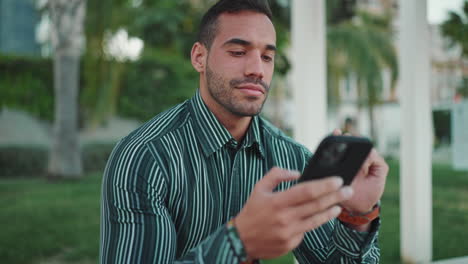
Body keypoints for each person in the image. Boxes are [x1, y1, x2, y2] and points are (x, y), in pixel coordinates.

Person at [99, 0, 388, 263]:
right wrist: (239, 242)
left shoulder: (292, 160)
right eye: (238, 52)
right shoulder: (144, 158)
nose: (256, 70)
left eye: (267, 57)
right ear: (200, 57)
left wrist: (358, 216)